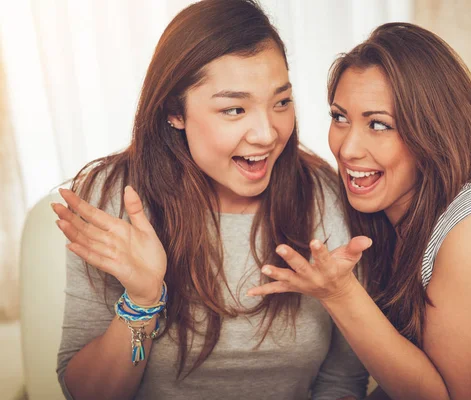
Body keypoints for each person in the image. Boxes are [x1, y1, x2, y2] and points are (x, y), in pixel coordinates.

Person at [248, 23, 471, 400]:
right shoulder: (378, 215)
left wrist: (340, 293)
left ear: (433, 131)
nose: (347, 148)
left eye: (379, 124)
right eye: (340, 117)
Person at [52, 1, 368, 399]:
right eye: (234, 109)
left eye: (281, 102)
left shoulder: (326, 196)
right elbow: (88, 394)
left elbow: (342, 382)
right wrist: (142, 300)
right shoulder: (111, 196)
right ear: (174, 111)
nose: (266, 134)